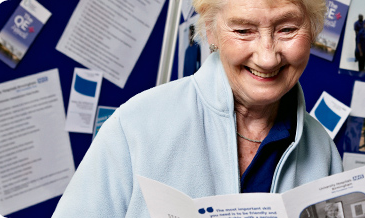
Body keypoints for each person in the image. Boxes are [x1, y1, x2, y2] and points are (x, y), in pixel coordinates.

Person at [53, 0, 343, 217]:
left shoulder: (323, 152)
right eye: (243, 30)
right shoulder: (135, 126)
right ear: (211, 32)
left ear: (313, 30)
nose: (267, 57)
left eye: (287, 29)